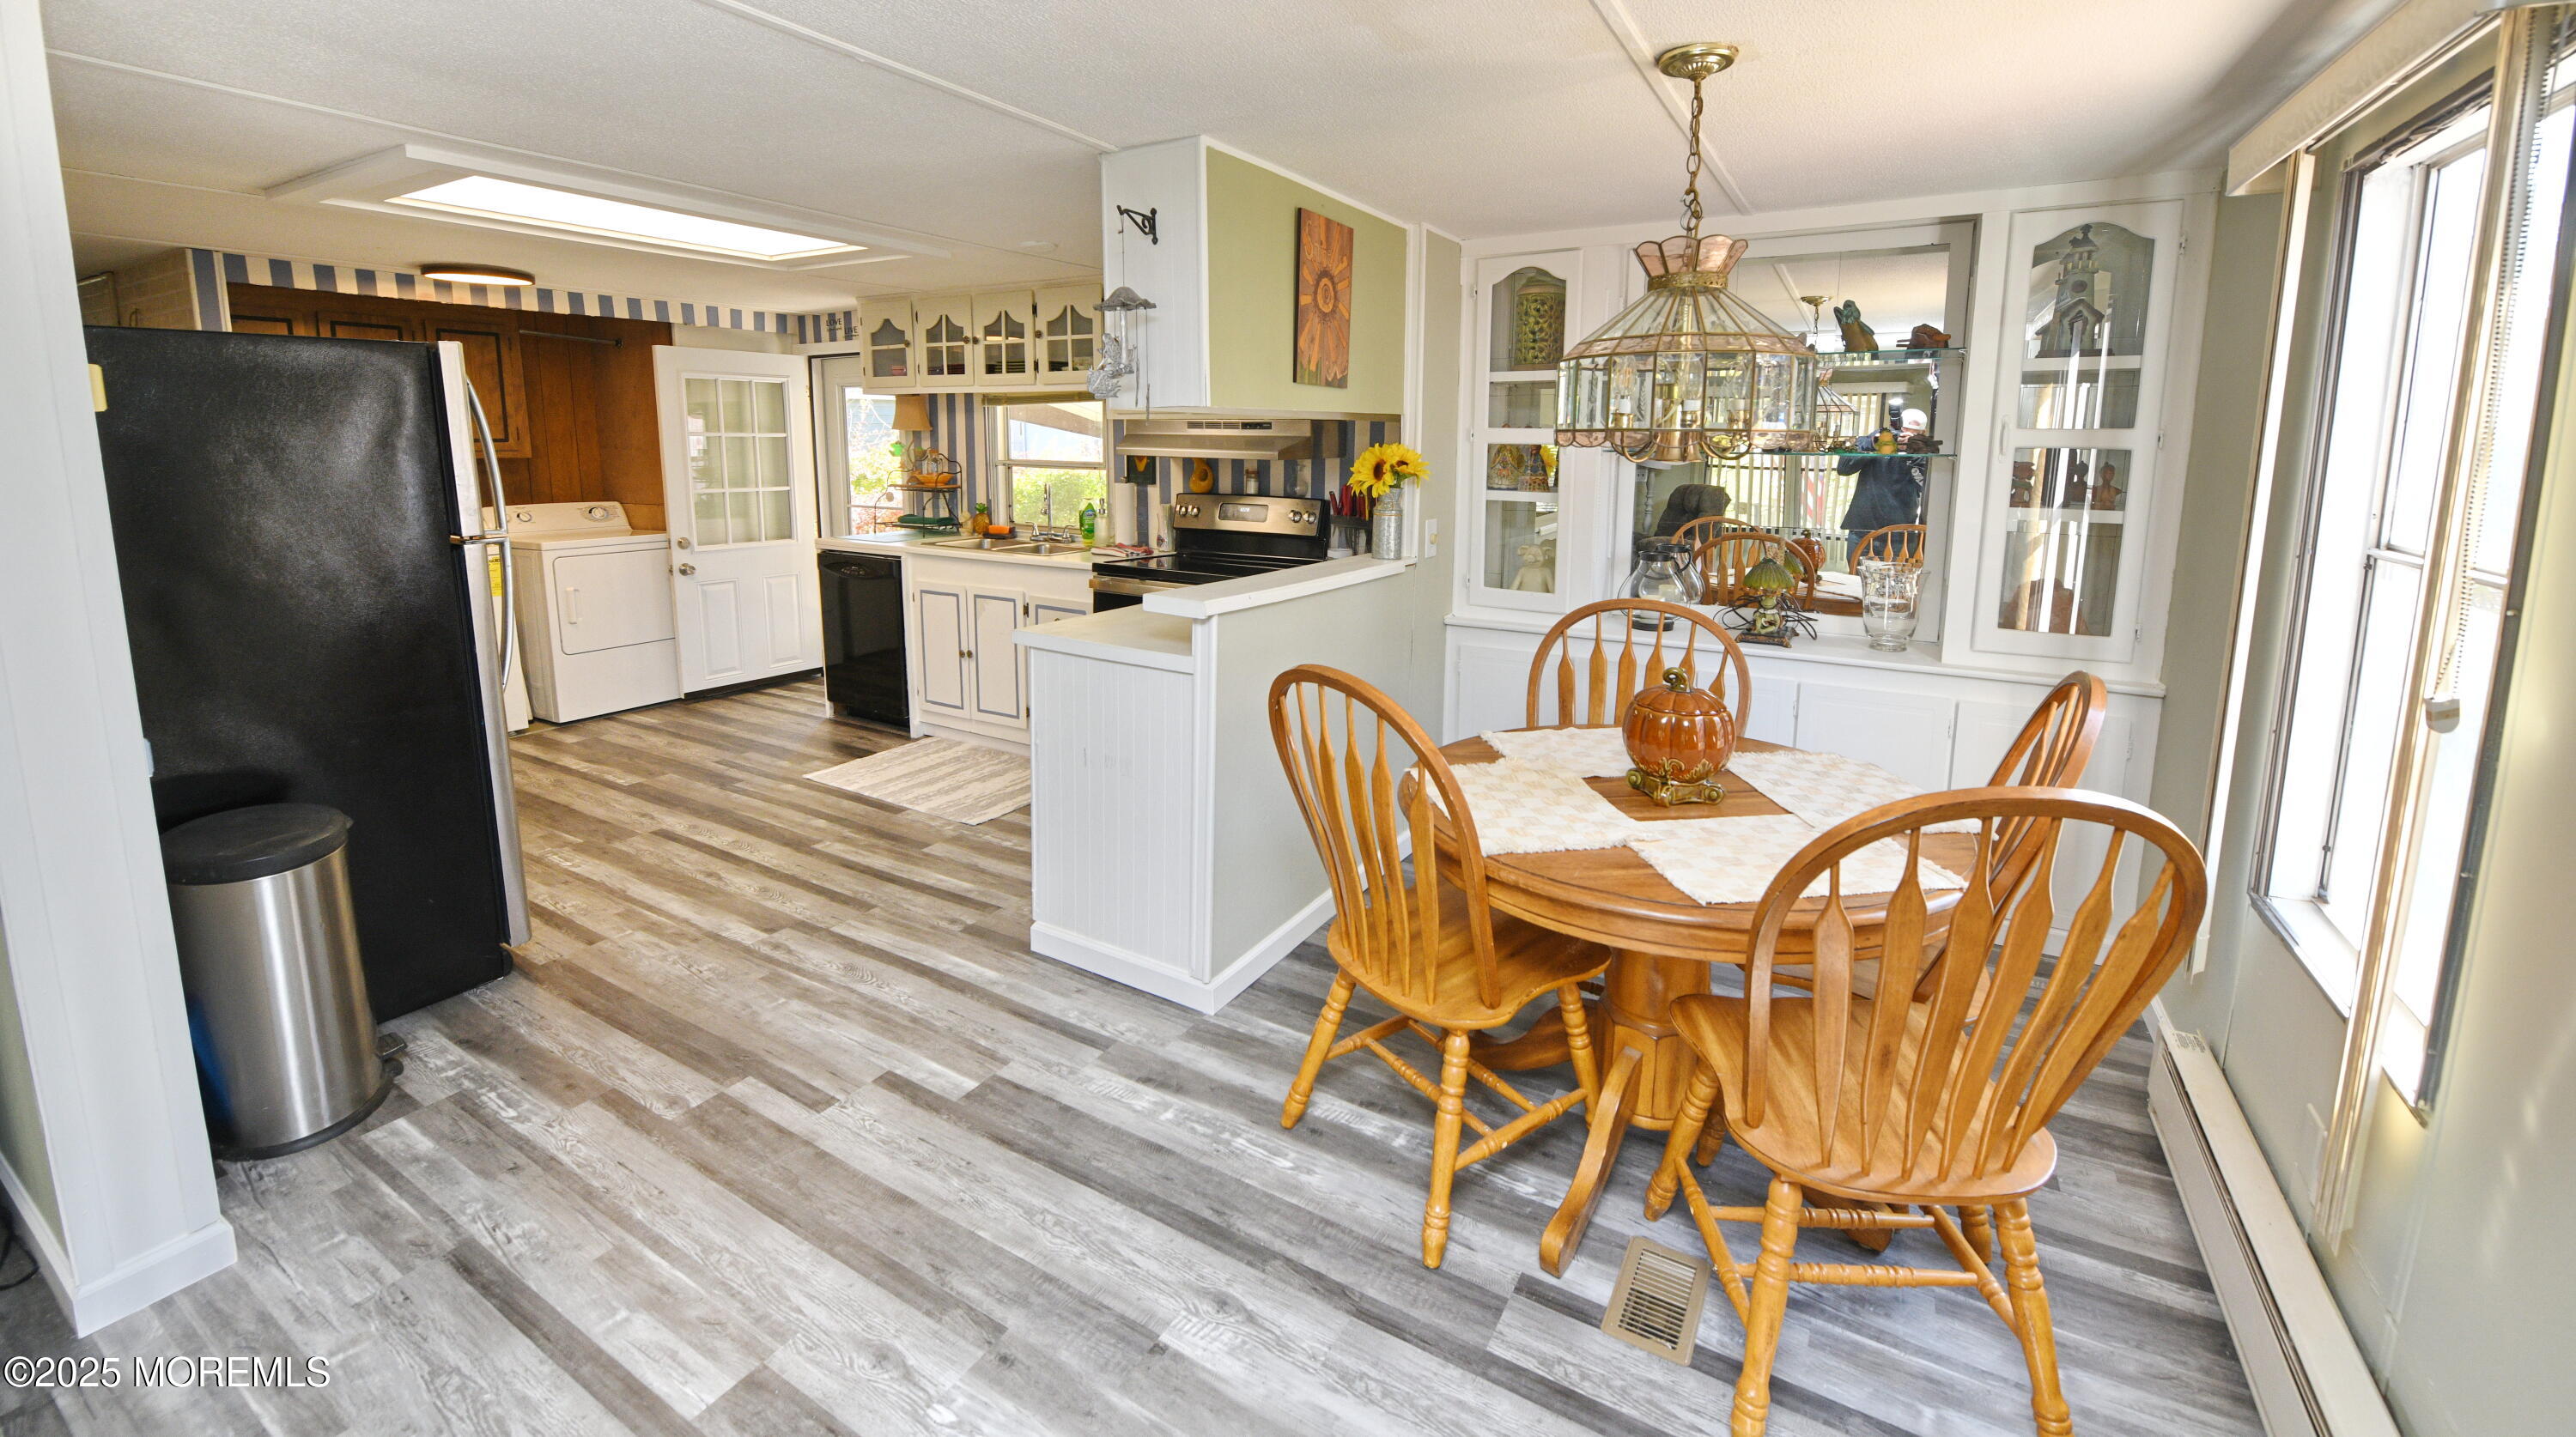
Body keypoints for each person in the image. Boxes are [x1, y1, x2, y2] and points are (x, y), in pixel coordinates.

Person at [1838, 409, 1928, 558]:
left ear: (1923, 434)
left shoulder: (1922, 453)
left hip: (1900, 535)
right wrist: (1875, 445)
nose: (1904, 437)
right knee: (1854, 579)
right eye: (1901, 432)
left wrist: (1912, 455)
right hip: (1862, 530)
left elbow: (1924, 486)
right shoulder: (1876, 441)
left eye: (1913, 435)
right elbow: (1843, 468)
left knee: (1898, 580)